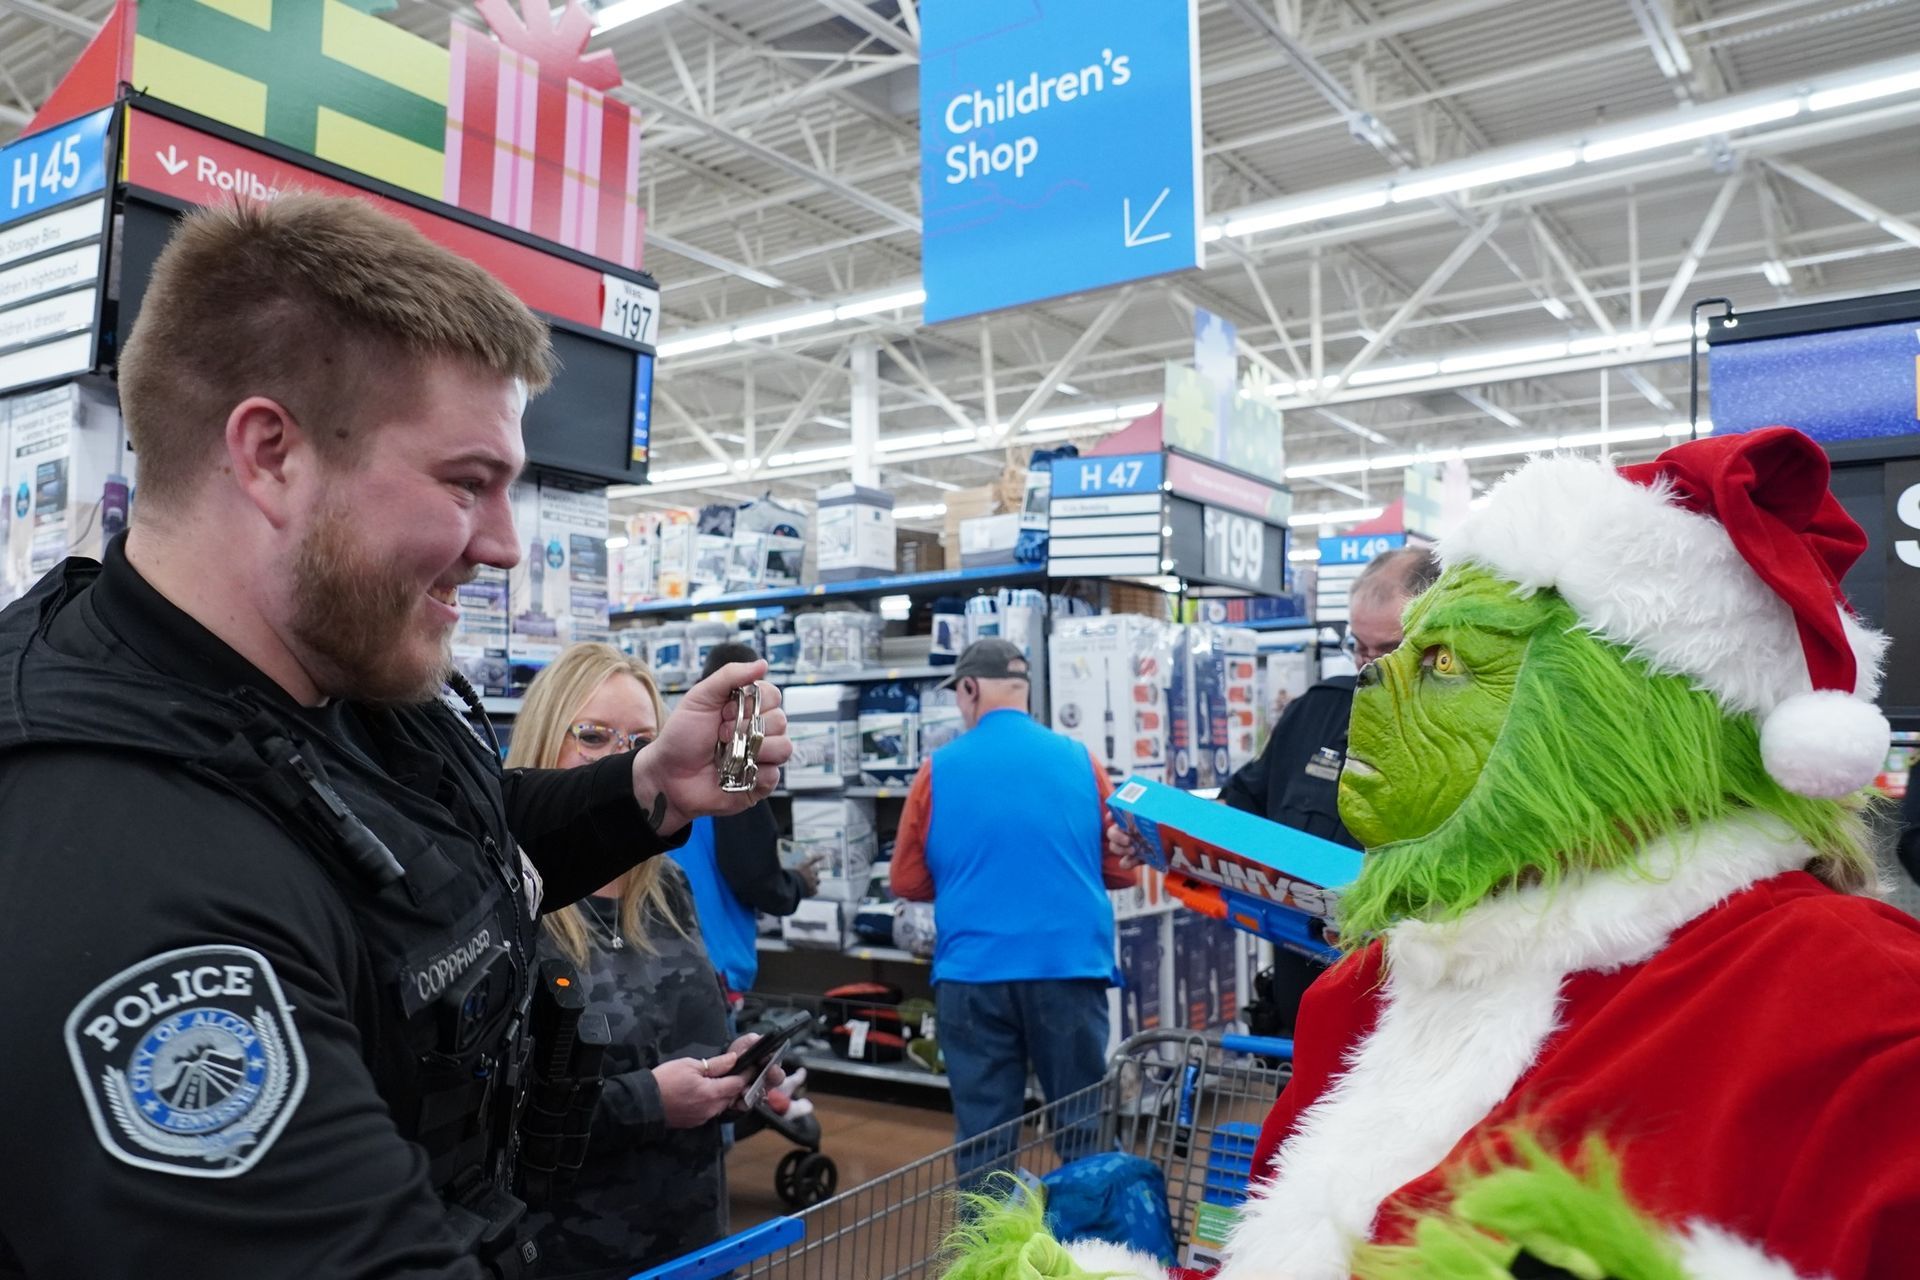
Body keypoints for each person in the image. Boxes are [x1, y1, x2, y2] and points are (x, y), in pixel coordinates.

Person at [0, 195, 789, 1278]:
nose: (508, 547)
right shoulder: (121, 862)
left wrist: (646, 786)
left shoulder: (333, 685)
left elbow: (446, 846)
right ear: (270, 453)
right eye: (469, 483)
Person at [511, 644, 763, 1279]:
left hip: (693, 1243)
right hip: (567, 1254)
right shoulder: (508, 901)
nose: (623, 758)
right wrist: (650, 1101)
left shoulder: (668, 887)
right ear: (544, 742)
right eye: (593, 736)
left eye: (644, 739)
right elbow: (495, 1121)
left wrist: (738, 1077)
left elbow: (693, 1040)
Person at [890, 638, 1139, 1176]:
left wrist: (973, 879)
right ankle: (1086, 1251)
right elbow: (1122, 868)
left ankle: (989, 1256)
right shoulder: (1081, 761)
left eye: (959, 693)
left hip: (973, 975)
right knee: (1083, 1131)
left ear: (971, 688)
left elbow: (906, 880)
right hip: (1069, 969)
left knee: (986, 1143)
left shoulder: (937, 770)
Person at [1212, 545, 1438, 1035]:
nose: (1368, 667)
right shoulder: (1315, 713)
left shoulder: (1471, 741)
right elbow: (1241, 809)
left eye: (1389, 650)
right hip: (1302, 1016)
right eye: (1358, 646)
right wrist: (1163, 831)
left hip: (1407, 1024)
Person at [670, 641, 818, 999]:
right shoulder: (735, 764)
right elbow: (754, 876)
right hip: (712, 974)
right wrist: (798, 883)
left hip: (668, 963)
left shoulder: (673, 756)